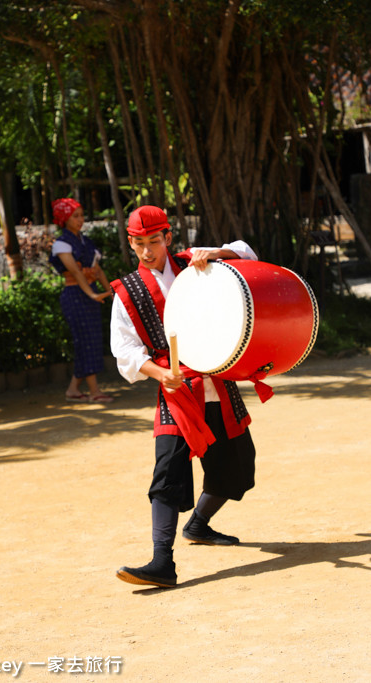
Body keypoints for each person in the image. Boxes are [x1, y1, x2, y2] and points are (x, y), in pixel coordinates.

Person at [110, 205, 258, 587]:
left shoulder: (196, 263)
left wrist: (218, 254)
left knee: (239, 467)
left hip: (217, 382)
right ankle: (162, 562)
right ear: (130, 242)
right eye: (139, 243)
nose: (147, 251)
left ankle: (199, 525)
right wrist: (160, 374)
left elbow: (247, 253)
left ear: (168, 237)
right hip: (176, 391)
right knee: (168, 472)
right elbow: (126, 351)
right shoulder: (127, 291)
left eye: (154, 242)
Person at [49, 197, 114, 403]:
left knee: (91, 339)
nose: (80, 220)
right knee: (85, 340)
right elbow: (75, 272)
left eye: (81, 215)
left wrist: (111, 291)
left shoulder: (86, 242)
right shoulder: (61, 244)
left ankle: (73, 390)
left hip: (89, 293)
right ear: (64, 219)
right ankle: (94, 392)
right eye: (75, 216)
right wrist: (92, 294)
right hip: (75, 295)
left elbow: (98, 270)